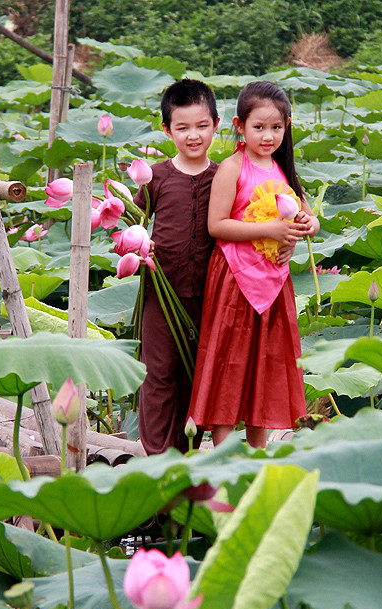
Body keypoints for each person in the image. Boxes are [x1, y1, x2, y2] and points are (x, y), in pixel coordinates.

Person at [186, 80, 320, 449]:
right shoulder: (232, 168)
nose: (268, 136)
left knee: (266, 364)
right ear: (238, 125)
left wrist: (307, 226)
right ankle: (224, 452)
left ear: (287, 127)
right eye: (258, 127)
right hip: (234, 279)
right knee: (230, 364)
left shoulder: (282, 169)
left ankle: (258, 453)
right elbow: (217, 225)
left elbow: (310, 217)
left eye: (276, 128)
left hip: (274, 284)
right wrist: (272, 229)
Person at [132, 78, 220, 455]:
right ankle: (155, 460)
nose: (194, 136)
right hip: (161, 293)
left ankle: (185, 457)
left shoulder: (225, 176)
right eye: (183, 128)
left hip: (212, 294)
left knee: (195, 375)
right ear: (167, 129)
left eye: (202, 126)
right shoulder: (155, 176)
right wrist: (139, 244)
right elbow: (128, 225)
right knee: (159, 374)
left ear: (216, 123)